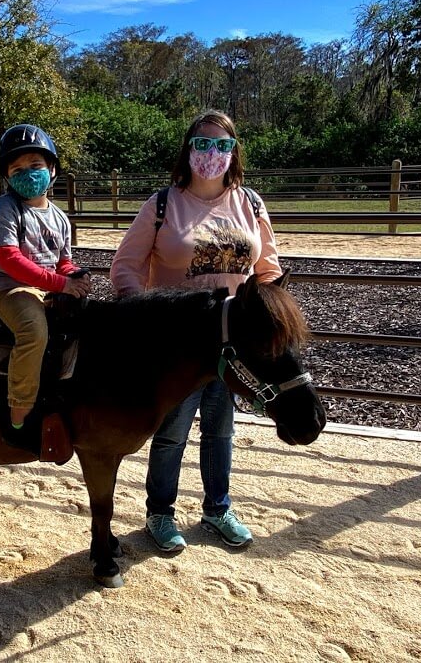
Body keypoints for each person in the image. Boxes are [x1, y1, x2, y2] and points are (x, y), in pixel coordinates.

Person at [110, 109, 283, 551]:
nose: (212, 153)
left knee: (221, 430)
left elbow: (268, 270)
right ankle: (160, 513)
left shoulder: (251, 203)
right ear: (188, 149)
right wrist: (145, 317)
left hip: (232, 344)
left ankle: (218, 507)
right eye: (203, 144)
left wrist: (267, 318)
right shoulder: (163, 203)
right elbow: (126, 267)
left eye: (222, 145)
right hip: (179, 348)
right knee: (172, 432)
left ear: (234, 152)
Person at [0, 124, 91, 457]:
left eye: (36, 167)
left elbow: (62, 262)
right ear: (7, 176)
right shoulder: (4, 208)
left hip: (42, 287)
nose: (28, 174)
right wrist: (60, 283)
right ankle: (20, 410)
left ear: (52, 170)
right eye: (18, 169)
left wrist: (76, 277)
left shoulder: (60, 218)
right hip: (3, 286)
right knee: (32, 329)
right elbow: (8, 259)